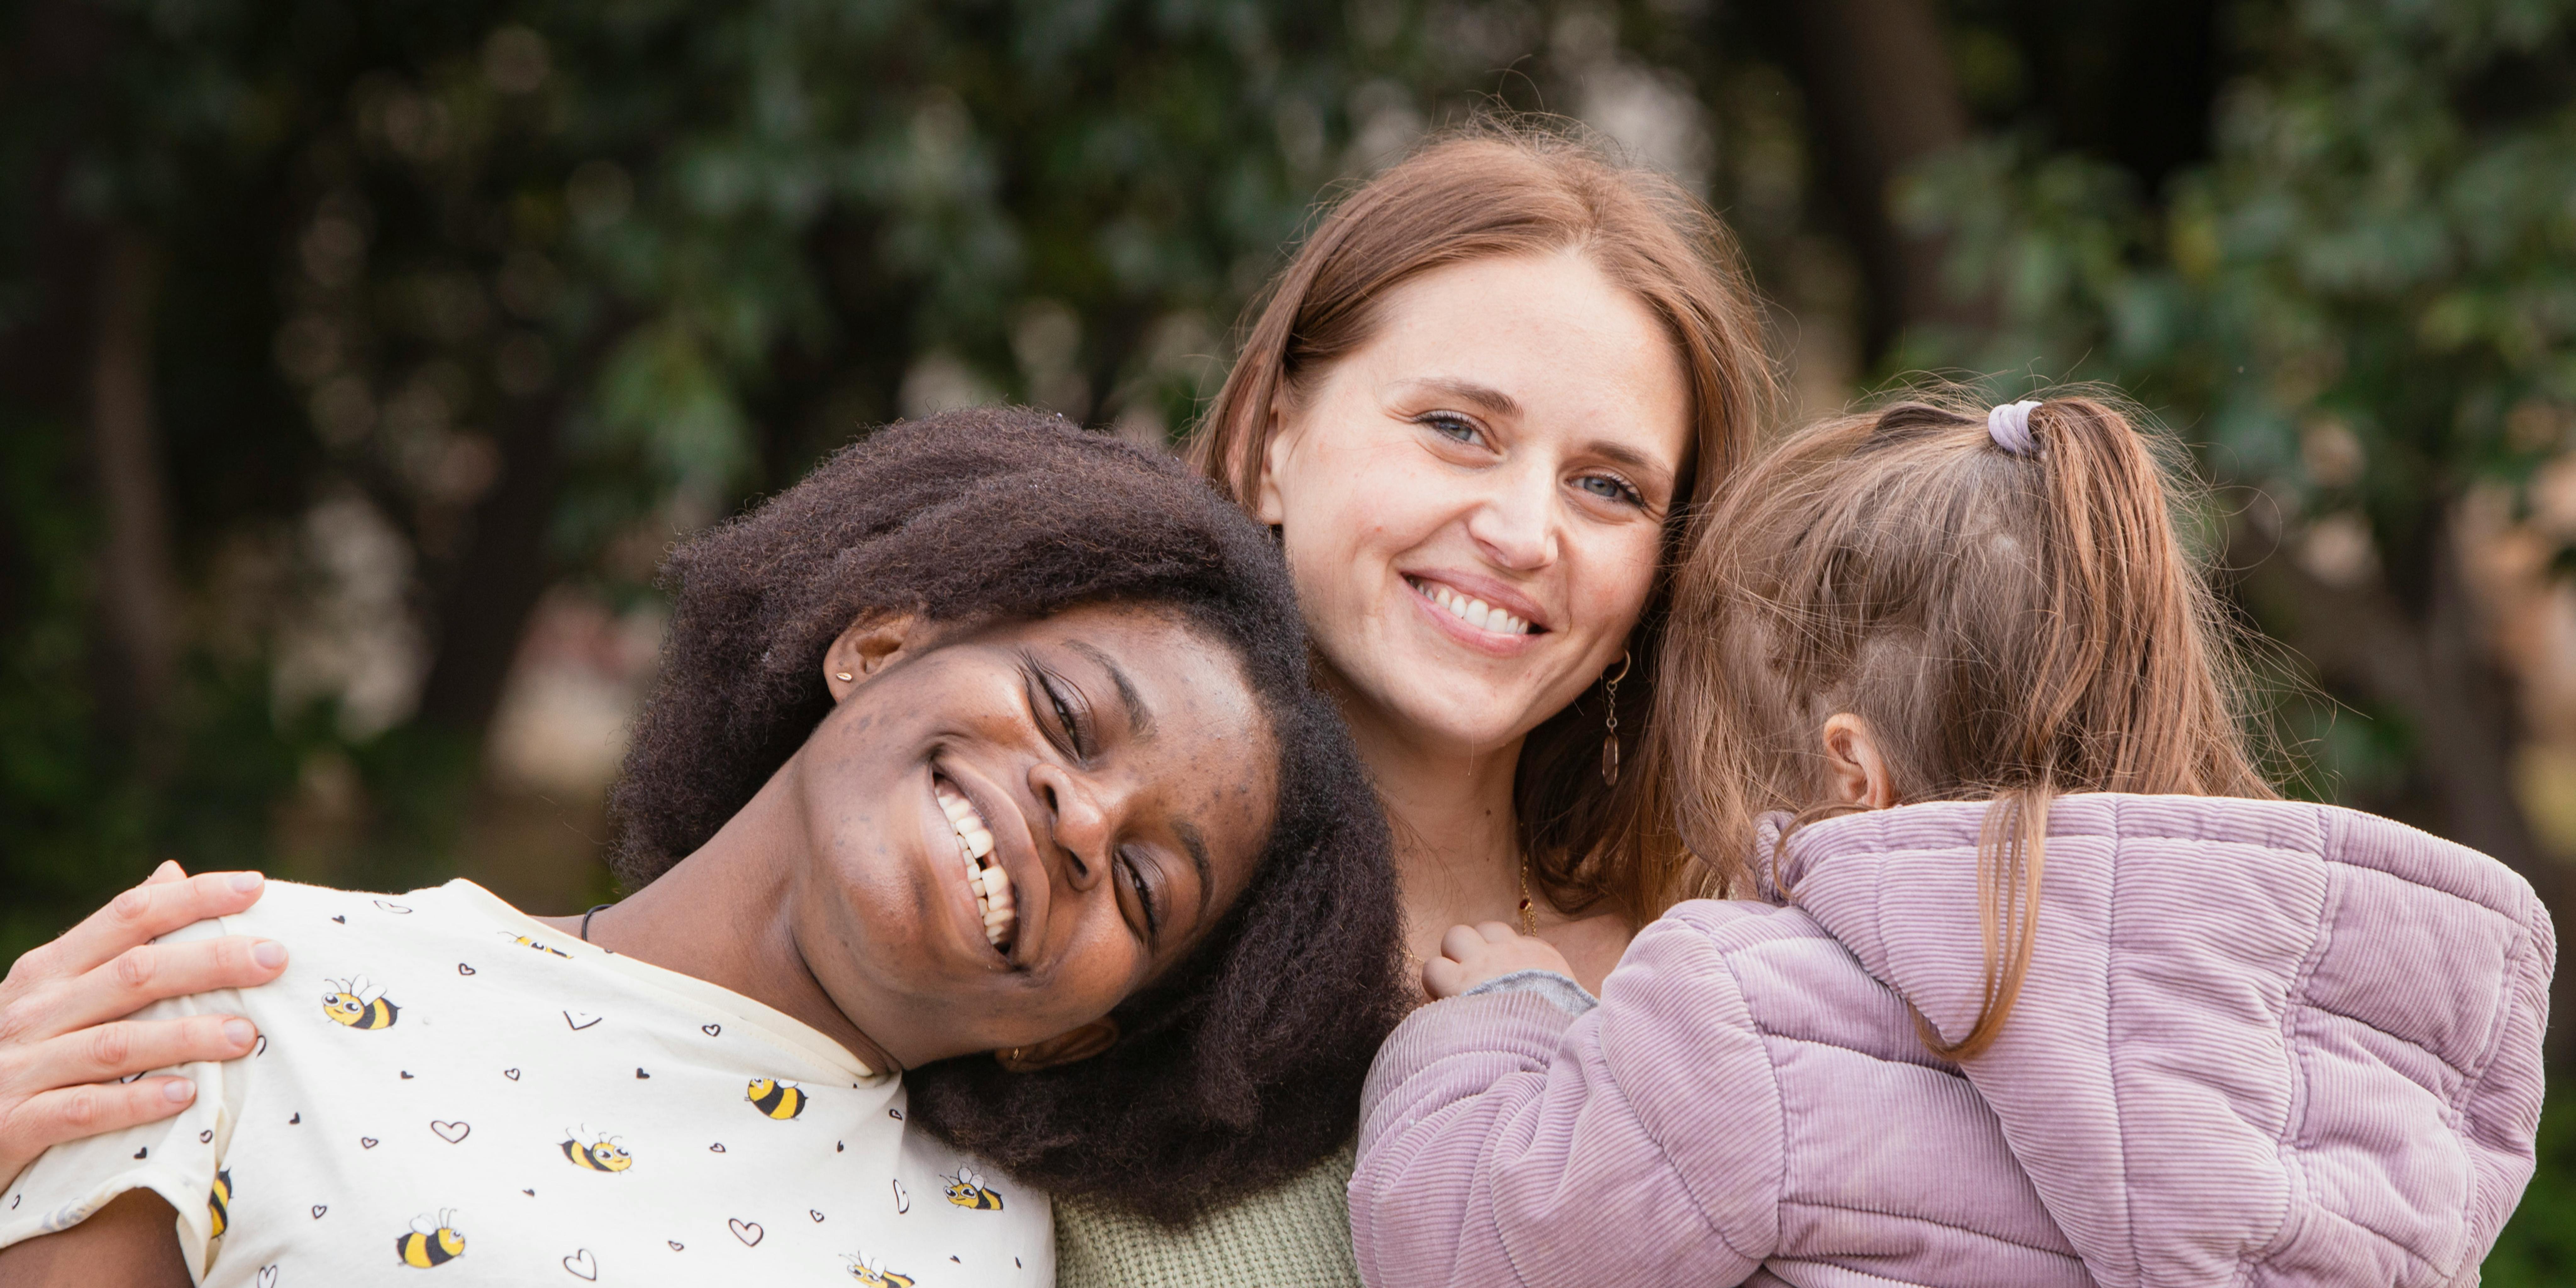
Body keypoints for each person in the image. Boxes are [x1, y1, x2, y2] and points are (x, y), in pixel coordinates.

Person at [0, 121, 1773, 1285]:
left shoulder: (1747, 959)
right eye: (1457, 425)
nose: (1523, 525)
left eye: (1613, 487)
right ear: (1274, 435)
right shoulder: (1042, 1011)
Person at [0, 408, 1407, 1285]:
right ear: (876, 644)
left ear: (1075, 1035)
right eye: (1064, 712)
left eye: (1150, 890)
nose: (1082, 819)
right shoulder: (254, 984)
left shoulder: (995, 1250)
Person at [1349, 391, 2555, 1286]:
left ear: (1854, 770)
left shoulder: (1750, 1012)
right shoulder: (2350, 1083)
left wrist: (1513, 1022)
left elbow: (1468, 1249)